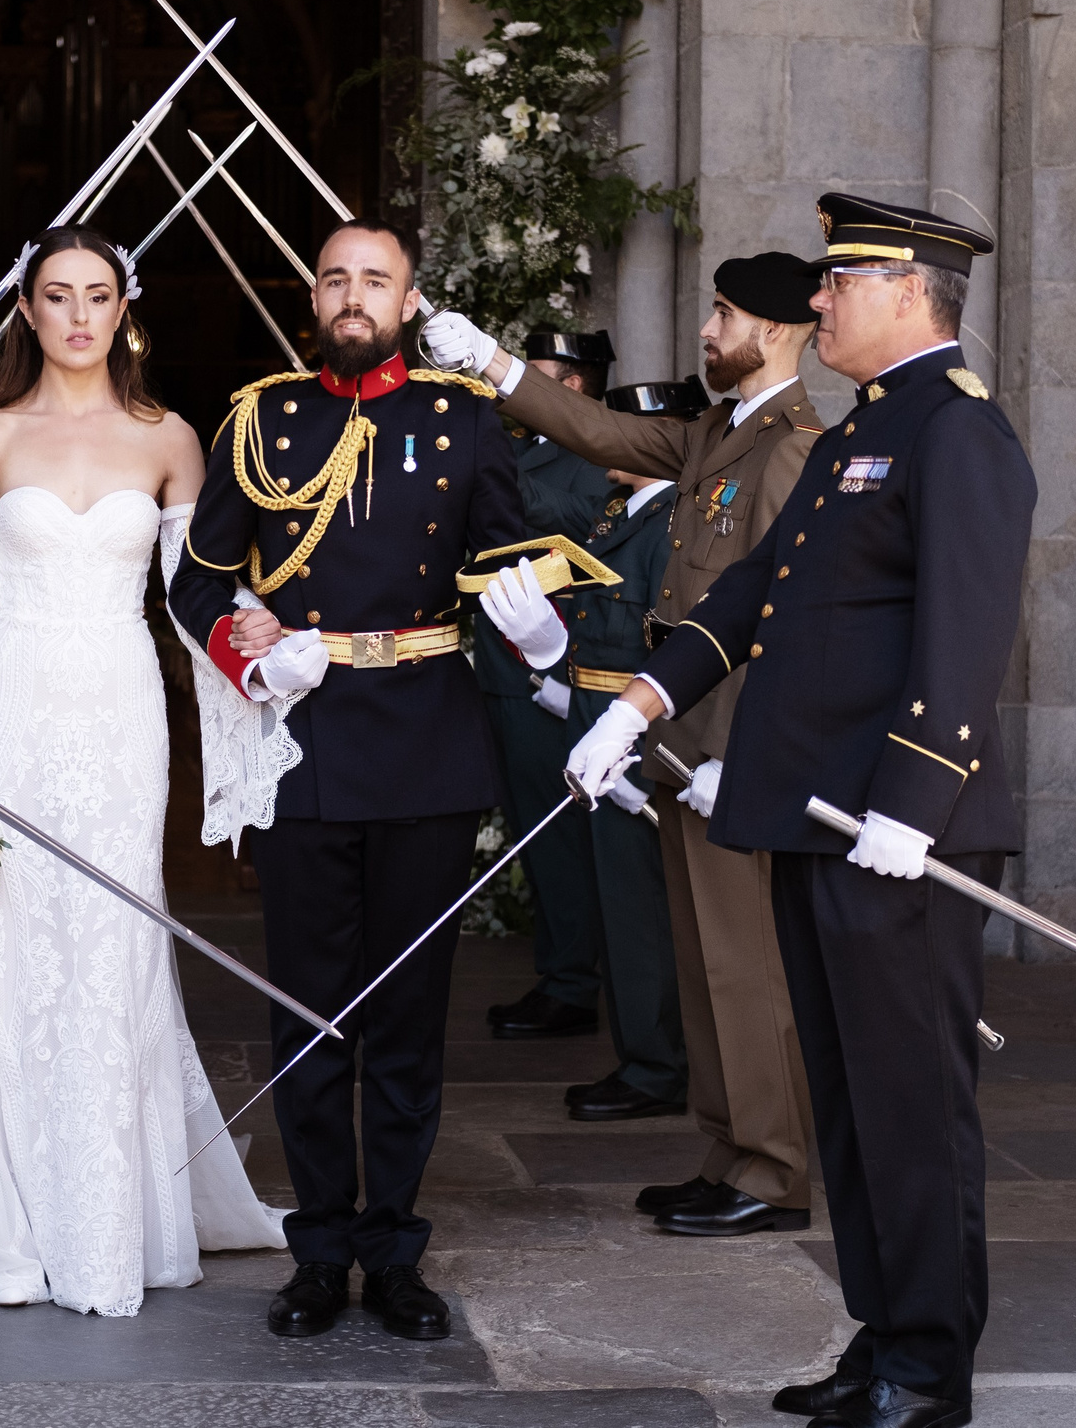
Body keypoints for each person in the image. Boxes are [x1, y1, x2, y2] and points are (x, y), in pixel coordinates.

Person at [567, 195, 1034, 1428]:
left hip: (892, 836)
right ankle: (881, 1337)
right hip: (819, 822)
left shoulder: (958, 434)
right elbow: (752, 596)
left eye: (839, 281)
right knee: (849, 1101)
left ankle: (929, 1368)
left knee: (912, 1109)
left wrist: (916, 800)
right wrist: (646, 703)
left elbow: (967, 629)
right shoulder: (855, 439)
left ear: (908, 292)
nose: (817, 300)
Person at [0, 225, 287, 1317]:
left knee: (114, 934)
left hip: (119, 706)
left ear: (123, 308)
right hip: (11, 705)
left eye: (95, 295)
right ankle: (4, 1221)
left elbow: (200, 600)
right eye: (55, 296)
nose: (75, 315)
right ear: (26, 311)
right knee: (10, 941)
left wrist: (263, 670)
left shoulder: (169, 438)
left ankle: (118, 1218)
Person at [165, 220, 552, 1343]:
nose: (351, 297)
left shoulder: (465, 419)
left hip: (425, 743)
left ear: (408, 299)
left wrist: (537, 639)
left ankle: (392, 1250)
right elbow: (199, 582)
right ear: (314, 293)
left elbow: (507, 566)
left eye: (372, 281)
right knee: (305, 1010)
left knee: (407, 1016)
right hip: (305, 741)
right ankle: (317, 1249)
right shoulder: (263, 419)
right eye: (333, 277)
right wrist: (248, 656)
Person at [424, 253, 823, 1233]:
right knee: (698, 963)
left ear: (770, 330)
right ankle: (727, 1149)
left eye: (721, 314)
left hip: (729, 753)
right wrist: (488, 363)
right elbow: (595, 427)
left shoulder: (793, 444)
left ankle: (772, 1170)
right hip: (678, 748)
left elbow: (782, 624)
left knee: (744, 967)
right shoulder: (716, 433)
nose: (704, 330)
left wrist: (744, 754)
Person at [529, 388, 694, 1122]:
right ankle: (641, 1053)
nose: (615, 441)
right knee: (612, 894)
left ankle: (657, 1066)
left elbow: (672, 644)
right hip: (596, 715)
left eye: (636, 429)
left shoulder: (676, 521)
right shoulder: (618, 511)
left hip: (634, 732)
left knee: (639, 909)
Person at [475, 329, 620, 1046]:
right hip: (507, 670)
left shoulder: (599, 452)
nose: (513, 392)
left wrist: (480, 449)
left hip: (554, 675)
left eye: (533, 380)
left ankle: (574, 985)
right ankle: (564, 971)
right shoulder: (528, 449)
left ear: (572, 390)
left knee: (560, 836)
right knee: (539, 836)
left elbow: (572, 518)